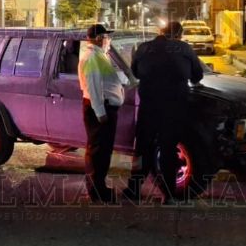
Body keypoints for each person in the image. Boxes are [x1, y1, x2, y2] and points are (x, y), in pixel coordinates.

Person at [129, 21, 204, 204]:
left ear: (161, 32)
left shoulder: (144, 48)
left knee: (142, 149)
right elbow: (197, 76)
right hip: (173, 110)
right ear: (179, 34)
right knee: (168, 151)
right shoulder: (184, 49)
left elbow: (135, 73)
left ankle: (134, 189)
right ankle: (169, 195)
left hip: (148, 109)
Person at [79, 23, 128, 203]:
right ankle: (96, 191)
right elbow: (93, 87)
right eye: (107, 37)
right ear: (99, 38)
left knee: (102, 150)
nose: (109, 40)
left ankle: (98, 187)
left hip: (104, 107)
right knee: (98, 151)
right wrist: (100, 112)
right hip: (100, 108)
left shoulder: (100, 55)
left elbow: (111, 79)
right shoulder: (93, 57)